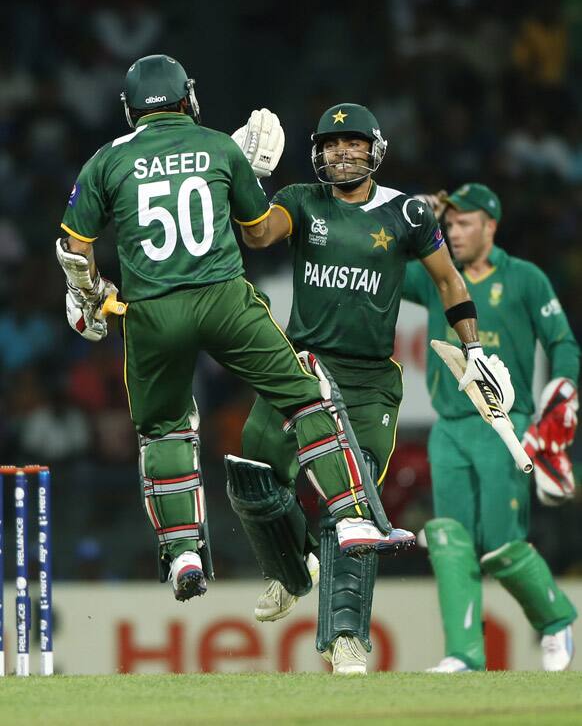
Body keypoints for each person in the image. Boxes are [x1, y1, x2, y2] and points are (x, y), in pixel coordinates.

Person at [55, 55, 414, 604]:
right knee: (302, 397)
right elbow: (256, 231)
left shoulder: (106, 160)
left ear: (131, 110)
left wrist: (92, 296)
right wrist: (248, 173)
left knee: (165, 428)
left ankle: (184, 553)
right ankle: (349, 517)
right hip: (223, 298)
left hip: (152, 311)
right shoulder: (219, 146)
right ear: (186, 98)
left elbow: (74, 252)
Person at [230, 104, 514, 674]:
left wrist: (475, 348)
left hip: (368, 382)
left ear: (374, 150)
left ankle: (346, 640)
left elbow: (448, 279)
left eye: (353, 144)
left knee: (351, 510)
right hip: (300, 369)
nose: (342, 153)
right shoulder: (298, 200)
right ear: (318, 153)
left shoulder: (407, 212)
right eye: (332, 145)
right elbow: (258, 234)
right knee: (252, 474)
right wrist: (246, 176)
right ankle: (292, 571)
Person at [403, 183, 579, 672]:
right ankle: (463, 654)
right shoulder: (437, 276)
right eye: (450, 223)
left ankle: (555, 617)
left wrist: (563, 391)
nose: (454, 232)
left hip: (507, 424)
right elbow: (387, 271)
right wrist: (420, 220)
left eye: (464, 223)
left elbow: (563, 342)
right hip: (450, 427)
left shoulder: (524, 278)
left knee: (501, 543)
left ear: (490, 225)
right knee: (448, 538)